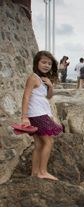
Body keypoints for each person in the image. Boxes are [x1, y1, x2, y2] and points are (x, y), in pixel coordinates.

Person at [21, 51, 63, 180]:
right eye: (43, 62)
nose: (46, 65)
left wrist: (50, 86)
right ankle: (43, 172)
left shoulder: (43, 80)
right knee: (48, 142)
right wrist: (24, 116)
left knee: (39, 144)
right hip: (37, 114)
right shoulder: (33, 77)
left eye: (49, 63)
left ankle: (34, 173)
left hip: (40, 113)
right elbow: (26, 96)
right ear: (36, 63)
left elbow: (48, 97)